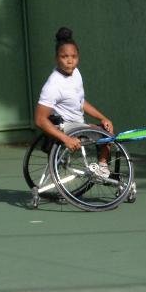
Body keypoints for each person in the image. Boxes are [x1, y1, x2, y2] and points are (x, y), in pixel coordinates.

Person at [34, 27, 114, 180]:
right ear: (56, 58)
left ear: (78, 57)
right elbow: (39, 119)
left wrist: (103, 118)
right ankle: (60, 161)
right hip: (65, 127)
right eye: (64, 57)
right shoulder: (53, 85)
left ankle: (102, 168)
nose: (70, 60)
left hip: (78, 125)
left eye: (73, 56)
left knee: (107, 128)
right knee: (106, 134)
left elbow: (80, 101)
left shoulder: (76, 73)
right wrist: (66, 139)